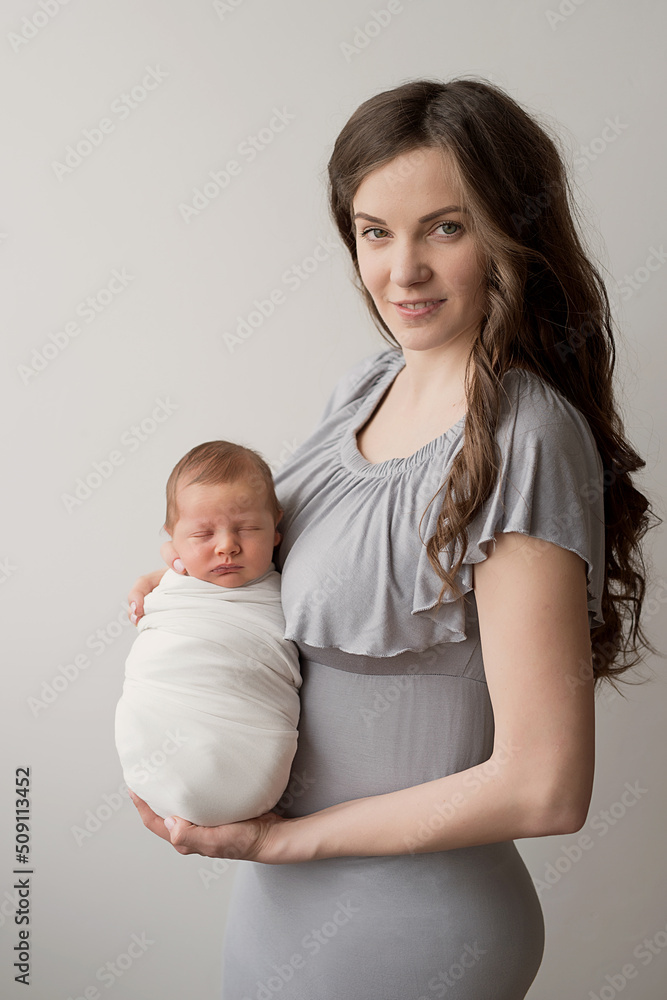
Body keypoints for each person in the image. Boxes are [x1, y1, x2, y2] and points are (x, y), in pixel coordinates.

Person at [127, 78, 660, 998]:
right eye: (375, 232)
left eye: (444, 228)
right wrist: (200, 585)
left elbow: (544, 786)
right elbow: (317, 582)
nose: (402, 270)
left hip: (410, 930)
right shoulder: (364, 388)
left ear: (510, 233)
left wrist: (284, 841)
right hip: (276, 903)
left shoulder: (527, 438)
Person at [116, 440, 301, 827]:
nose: (227, 546)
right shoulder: (171, 588)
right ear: (172, 540)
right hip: (157, 727)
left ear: (276, 529)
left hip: (253, 762)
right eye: (203, 535)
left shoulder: (288, 590)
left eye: (248, 529)